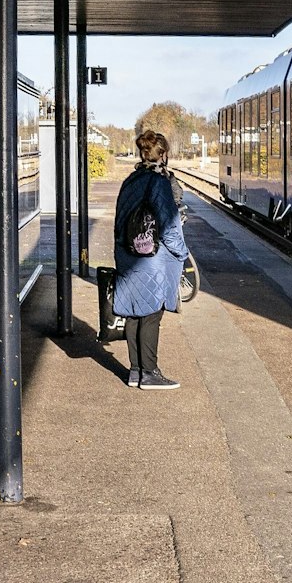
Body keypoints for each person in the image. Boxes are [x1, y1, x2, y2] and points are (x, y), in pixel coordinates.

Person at [112, 130, 189, 390]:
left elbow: (119, 221)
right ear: (163, 155)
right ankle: (150, 373)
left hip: (126, 254)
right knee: (152, 313)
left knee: (133, 312)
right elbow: (169, 225)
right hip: (151, 257)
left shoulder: (130, 180)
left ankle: (135, 371)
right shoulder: (159, 183)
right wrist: (182, 252)